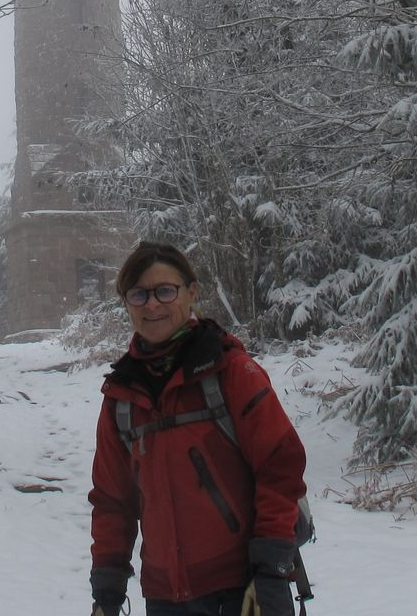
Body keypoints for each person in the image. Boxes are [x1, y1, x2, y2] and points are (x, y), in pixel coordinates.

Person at [88, 241, 308, 616]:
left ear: (191, 291)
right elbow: (113, 501)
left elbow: (280, 466)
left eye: (165, 291)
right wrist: (107, 594)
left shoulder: (231, 372)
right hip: (165, 597)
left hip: (245, 588)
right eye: (138, 294)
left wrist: (271, 568)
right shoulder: (121, 398)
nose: (152, 305)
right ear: (126, 303)